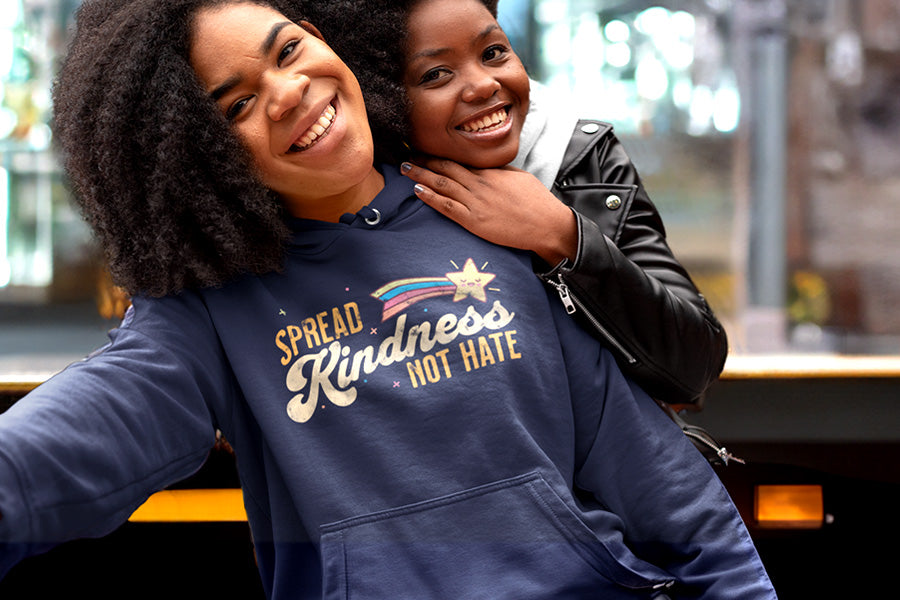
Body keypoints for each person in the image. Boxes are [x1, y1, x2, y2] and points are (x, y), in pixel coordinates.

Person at [0, 0, 777, 598]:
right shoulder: (208, 313)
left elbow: (662, 488)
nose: (290, 93)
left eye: (289, 51)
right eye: (236, 104)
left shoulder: (491, 213)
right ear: (198, 158)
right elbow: (50, 458)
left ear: (321, 35)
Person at [304, 0, 728, 406]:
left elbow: (695, 366)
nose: (485, 84)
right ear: (383, 102)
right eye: (436, 74)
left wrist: (563, 236)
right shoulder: (350, 203)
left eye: (493, 52)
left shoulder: (578, 155)